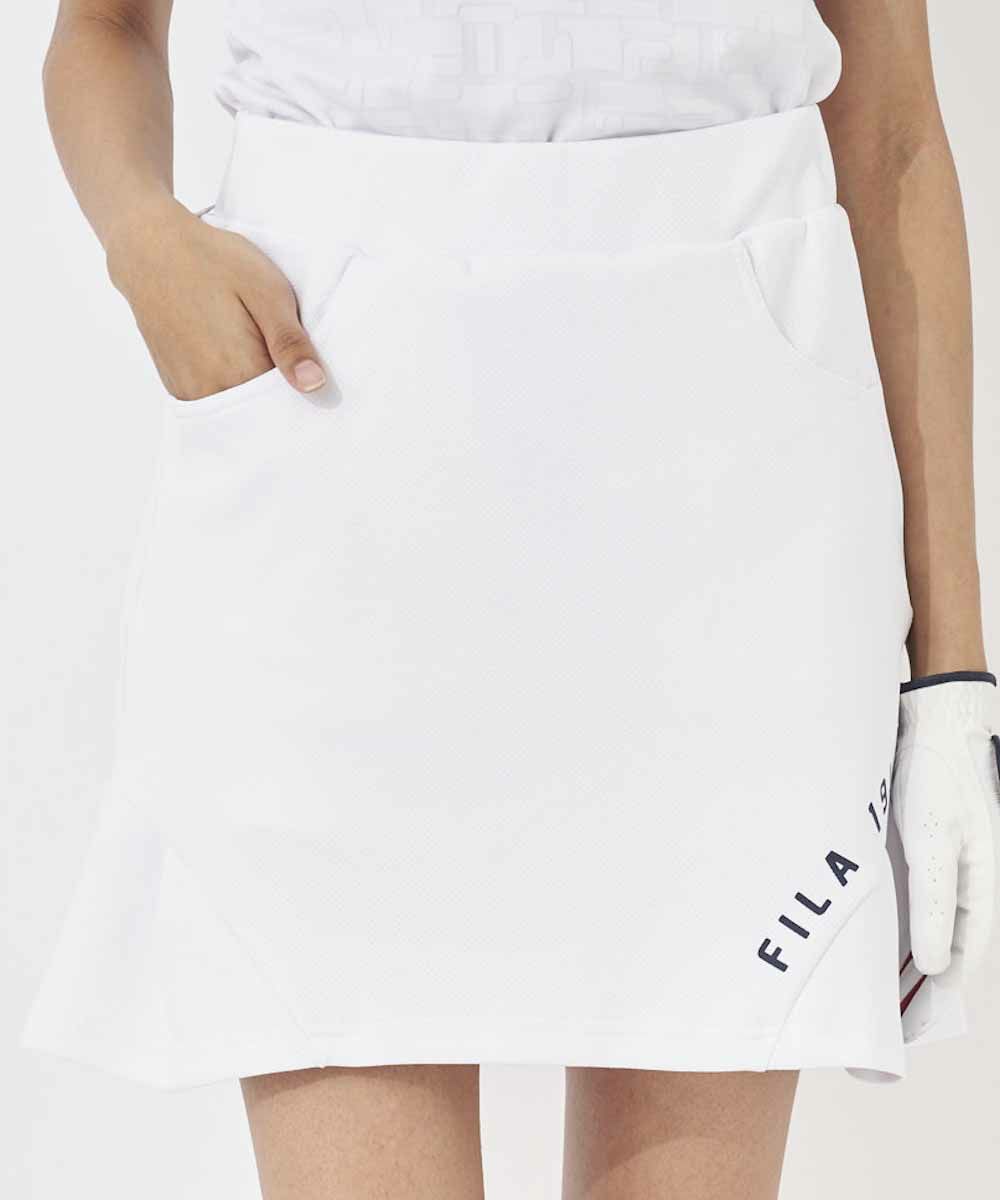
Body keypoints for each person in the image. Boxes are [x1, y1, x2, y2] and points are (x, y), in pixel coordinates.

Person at [23, 2, 1000, 1197]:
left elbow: (892, 134)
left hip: (736, 470)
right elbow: (105, 28)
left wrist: (954, 678)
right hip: (330, 430)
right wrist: (140, 234)